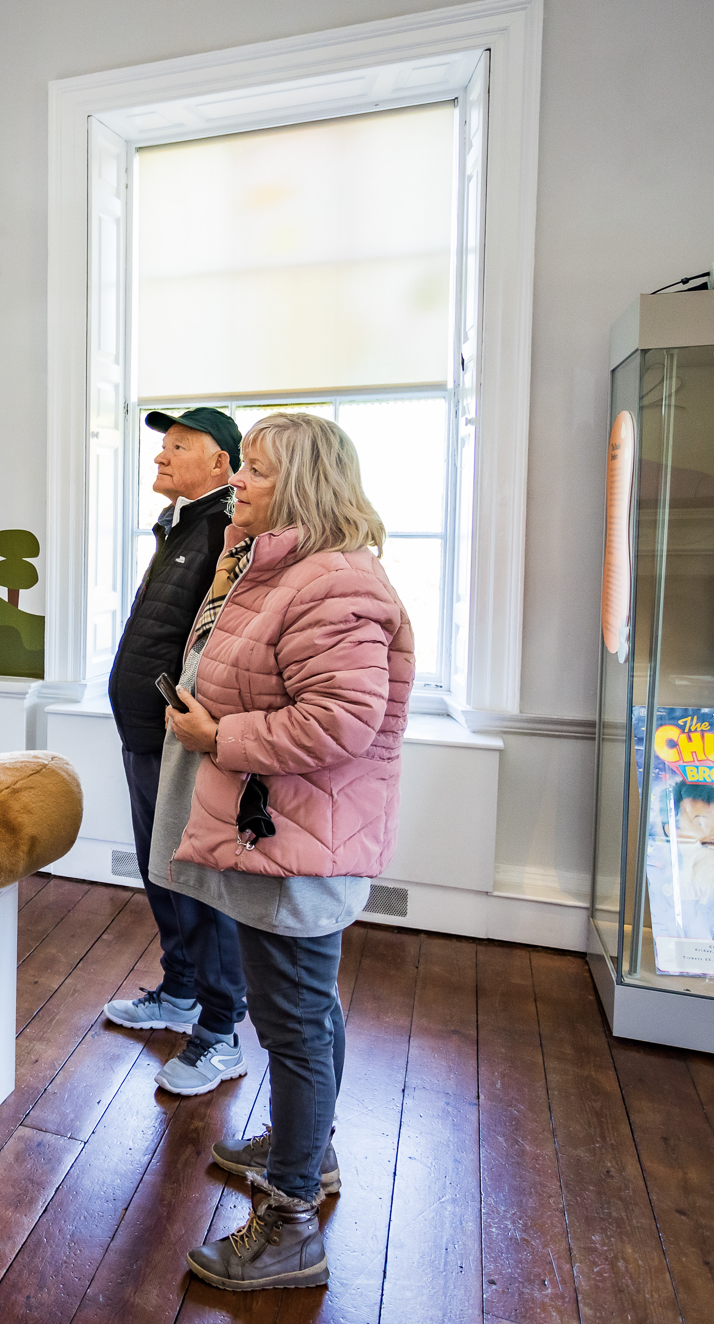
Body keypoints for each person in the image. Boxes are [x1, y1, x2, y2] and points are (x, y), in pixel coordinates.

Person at [154, 413, 414, 1291]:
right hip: (284, 831)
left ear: (300, 484)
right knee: (304, 1010)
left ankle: (293, 1217)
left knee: (296, 1021)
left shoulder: (334, 584)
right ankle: (315, 1145)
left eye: (256, 471)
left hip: (300, 838)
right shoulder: (276, 562)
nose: (240, 483)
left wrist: (218, 733)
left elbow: (340, 719)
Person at [100, 409, 249, 1074]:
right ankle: (183, 991)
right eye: (162, 447)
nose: (161, 458)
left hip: (179, 740)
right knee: (160, 871)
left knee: (192, 879)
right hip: (143, 734)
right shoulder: (182, 525)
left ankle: (221, 1025)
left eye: (179, 447)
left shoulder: (224, 530)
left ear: (221, 463)